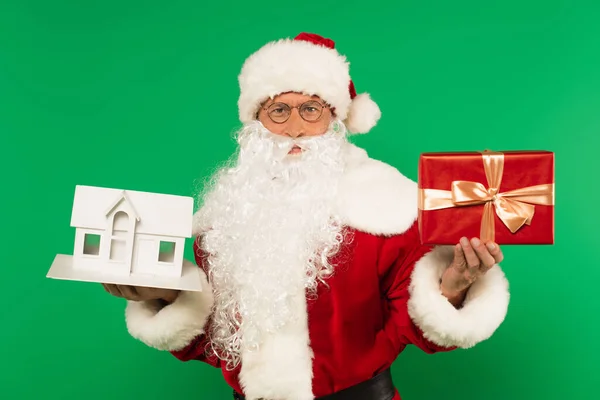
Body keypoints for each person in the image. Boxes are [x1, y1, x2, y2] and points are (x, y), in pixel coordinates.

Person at [102, 32, 510, 400]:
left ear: (334, 119)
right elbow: (217, 341)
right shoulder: (224, 217)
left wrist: (453, 287)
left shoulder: (388, 206)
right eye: (279, 110)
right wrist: (164, 296)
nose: (294, 128)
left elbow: (418, 327)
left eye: (311, 109)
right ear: (256, 121)